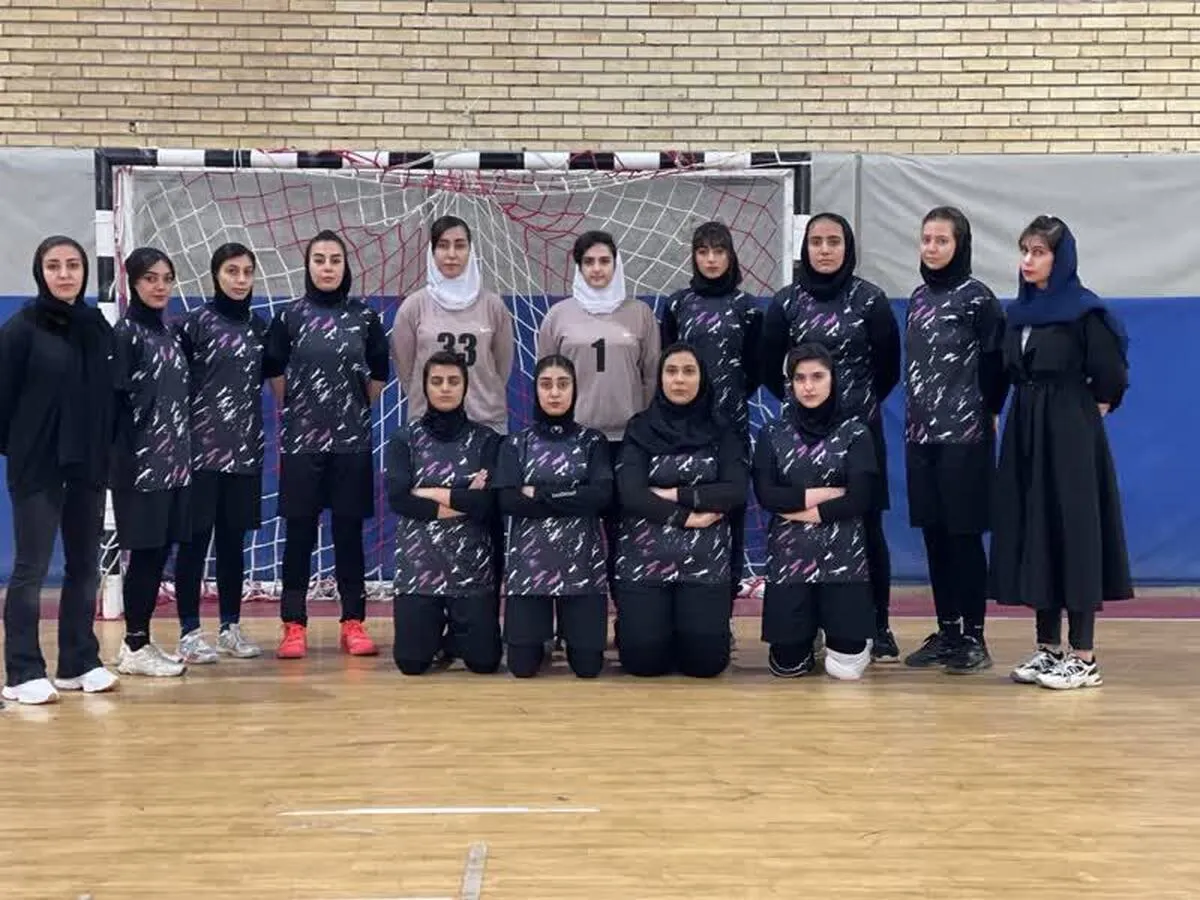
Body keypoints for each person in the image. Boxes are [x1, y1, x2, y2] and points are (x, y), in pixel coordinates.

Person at [992, 216, 1132, 690]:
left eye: (1039, 252)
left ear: (1061, 258)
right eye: (1024, 251)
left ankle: (1084, 656)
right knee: (1037, 526)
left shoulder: (1084, 312)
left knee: (1074, 529)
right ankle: (1049, 647)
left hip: (1069, 429)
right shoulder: (1017, 313)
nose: (1028, 260)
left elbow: (1111, 372)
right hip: (1026, 425)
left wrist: (1093, 406)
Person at [760, 213, 902, 661]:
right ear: (805, 248)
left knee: (866, 526)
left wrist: (851, 410)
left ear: (848, 247)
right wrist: (805, 406)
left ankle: (877, 624)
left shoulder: (870, 300)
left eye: (833, 241)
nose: (824, 249)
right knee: (796, 522)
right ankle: (802, 625)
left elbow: (888, 368)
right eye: (816, 241)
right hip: (798, 437)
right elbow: (768, 366)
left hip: (858, 432)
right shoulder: (785, 303)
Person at [0, 237, 118, 704]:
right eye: (54, 266)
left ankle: (78, 661)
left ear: (85, 272)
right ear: (40, 271)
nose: (65, 274)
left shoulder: (96, 326)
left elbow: (108, 397)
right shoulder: (20, 329)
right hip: (37, 466)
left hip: (87, 465)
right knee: (30, 568)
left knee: (84, 565)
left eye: (73, 265)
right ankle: (22, 670)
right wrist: (24, 449)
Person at [263, 230, 390, 659]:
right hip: (302, 445)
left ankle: (353, 621)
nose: (327, 267)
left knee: (348, 534)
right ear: (308, 265)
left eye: (335, 259)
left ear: (345, 265)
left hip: (351, 444)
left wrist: (348, 410)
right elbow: (275, 371)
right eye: (319, 259)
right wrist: (305, 411)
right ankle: (293, 624)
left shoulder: (365, 317)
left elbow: (378, 374)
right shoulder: (289, 317)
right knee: (299, 535)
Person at [902, 208, 1007, 674]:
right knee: (935, 535)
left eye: (941, 240)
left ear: (960, 244)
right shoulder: (918, 298)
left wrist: (989, 411)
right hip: (920, 436)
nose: (932, 247)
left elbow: (996, 363)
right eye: (926, 239)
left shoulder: (978, 300)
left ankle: (974, 636)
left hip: (965, 436)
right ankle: (947, 631)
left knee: (963, 537)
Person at [613, 344, 747, 678]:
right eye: (671, 371)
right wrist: (688, 516)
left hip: (704, 564)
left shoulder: (722, 429)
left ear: (702, 378)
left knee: (705, 665)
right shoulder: (639, 428)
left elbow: (734, 490)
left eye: (689, 371)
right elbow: (631, 494)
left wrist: (673, 493)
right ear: (660, 379)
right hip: (644, 563)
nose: (679, 380)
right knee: (643, 664)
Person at [536, 230, 660, 582]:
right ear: (578, 268)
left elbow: (652, 376)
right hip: (574, 441)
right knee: (575, 527)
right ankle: (574, 600)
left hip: (627, 441)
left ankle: (627, 605)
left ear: (616, 265)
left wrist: (641, 424)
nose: (597, 269)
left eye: (604, 261)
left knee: (626, 530)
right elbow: (546, 376)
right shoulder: (558, 316)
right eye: (588, 262)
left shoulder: (640, 314)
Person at [754, 344, 878, 680]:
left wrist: (799, 510)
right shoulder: (772, 433)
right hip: (790, 562)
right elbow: (766, 495)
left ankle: (844, 633)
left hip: (843, 562)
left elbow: (860, 498)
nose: (808, 386)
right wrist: (823, 495)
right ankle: (806, 635)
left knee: (845, 669)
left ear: (833, 380)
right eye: (800, 378)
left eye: (817, 377)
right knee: (788, 665)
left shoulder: (856, 432)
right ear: (790, 384)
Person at [661, 220, 762, 601]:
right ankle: (684, 595)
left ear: (731, 256)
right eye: (703, 252)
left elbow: (755, 369)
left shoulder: (747, 308)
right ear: (694, 257)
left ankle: (727, 600)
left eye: (719, 251)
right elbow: (668, 362)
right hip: (684, 430)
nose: (711, 259)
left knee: (729, 510)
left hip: (731, 428)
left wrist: (727, 401)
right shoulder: (677, 304)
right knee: (686, 505)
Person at [384, 351, 502, 675]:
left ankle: (452, 640)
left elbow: (487, 504)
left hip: (471, 573)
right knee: (411, 664)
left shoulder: (488, 440)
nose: (445, 388)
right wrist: (464, 498)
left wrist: (430, 492)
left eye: (453, 381)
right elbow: (400, 499)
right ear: (425, 387)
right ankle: (433, 635)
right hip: (419, 573)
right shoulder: (404, 439)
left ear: (465, 386)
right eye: (437, 381)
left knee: (484, 663)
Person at [495, 354, 612, 678]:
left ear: (575, 389)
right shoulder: (516, 443)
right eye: (546, 385)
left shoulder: (593, 441)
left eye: (563, 384)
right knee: (522, 668)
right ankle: (543, 637)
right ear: (535, 391)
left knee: (588, 669)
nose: (555, 393)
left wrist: (539, 494)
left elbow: (600, 497)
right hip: (530, 570)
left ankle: (568, 634)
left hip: (582, 570)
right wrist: (574, 494)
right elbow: (508, 500)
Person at [111, 247, 191, 677]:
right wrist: (125, 461)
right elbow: (114, 404)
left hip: (173, 464)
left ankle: (139, 640)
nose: (159, 286)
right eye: (150, 278)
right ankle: (134, 644)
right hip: (139, 466)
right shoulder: (125, 335)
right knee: (142, 555)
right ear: (133, 282)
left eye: (166, 278)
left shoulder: (170, 334)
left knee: (158, 554)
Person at [390, 215, 514, 435]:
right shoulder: (413, 307)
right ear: (432, 252)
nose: (451, 254)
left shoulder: (493, 306)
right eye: (443, 245)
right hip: (428, 425)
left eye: (460, 245)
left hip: (486, 422)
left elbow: (502, 367)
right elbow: (405, 370)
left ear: (470, 251)